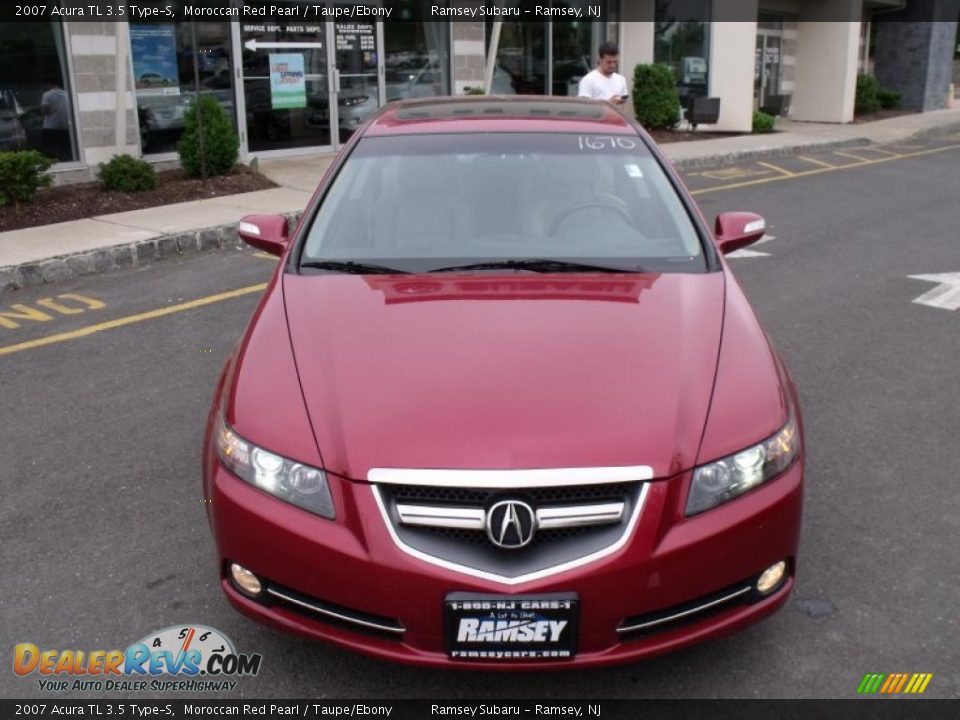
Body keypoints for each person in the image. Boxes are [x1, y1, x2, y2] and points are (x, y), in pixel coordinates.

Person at [578, 42, 628, 106]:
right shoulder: (588, 80)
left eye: (615, 62)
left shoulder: (621, 79)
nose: (612, 65)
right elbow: (583, 107)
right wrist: (607, 104)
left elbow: (623, 107)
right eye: (608, 62)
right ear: (600, 59)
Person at [40, 78, 72, 162]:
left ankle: (52, 162)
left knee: (50, 148)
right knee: (64, 148)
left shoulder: (47, 95)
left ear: (50, 84)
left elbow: (44, 110)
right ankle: (64, 161)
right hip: (64, 126)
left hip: (50, 126)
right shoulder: (67, 94)